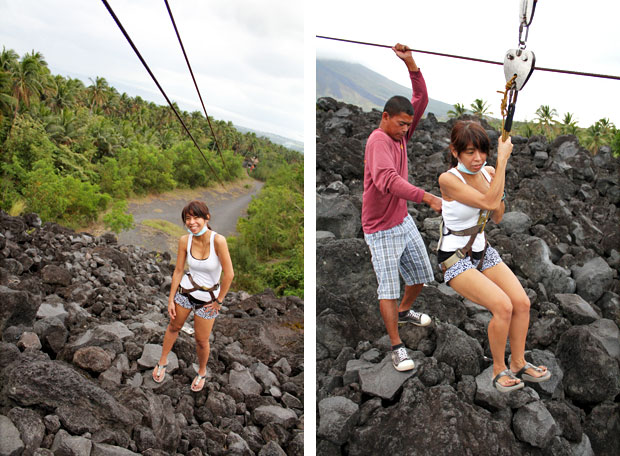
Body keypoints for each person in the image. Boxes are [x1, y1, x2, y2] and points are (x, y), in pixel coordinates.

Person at [437, 120, 551, 392]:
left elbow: (497, 215)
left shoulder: (488, 172)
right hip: (454, 257)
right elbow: (489, 202)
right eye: (469, 152)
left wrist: (497, 177)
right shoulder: (449, 179)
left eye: (483, 151)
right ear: (455, 152)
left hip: (482, 250)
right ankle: (498, 369)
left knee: (521, 303)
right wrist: (502, 161)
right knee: (503, 306)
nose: (478, 159)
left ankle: (519, 362)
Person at [362, 43, 442, 372]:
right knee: (388, 287)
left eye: (409, 125)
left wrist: (411, 63)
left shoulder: (401, 136)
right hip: (380, 229)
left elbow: (419, 99)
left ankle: (404, 310)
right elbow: (388, 181)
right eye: (400, 124)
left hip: (402, 219)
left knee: (422, 274)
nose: (405, 129)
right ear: (385, 117)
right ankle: (397, 346)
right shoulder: (378, 140)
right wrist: (427, 197)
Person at [152, 200, 234, 392]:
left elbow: (229, 274)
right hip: (186, 292)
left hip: (208, 300)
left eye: (196, 217)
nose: (191, 222)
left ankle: (202, 371)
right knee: (174, 327)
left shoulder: (218, 241)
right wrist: (171, 299)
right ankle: (162, 361)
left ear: (206, 218)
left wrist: (218, 302)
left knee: (201, 340)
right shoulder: (184, 241)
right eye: (187, 218)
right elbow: (179, 270)